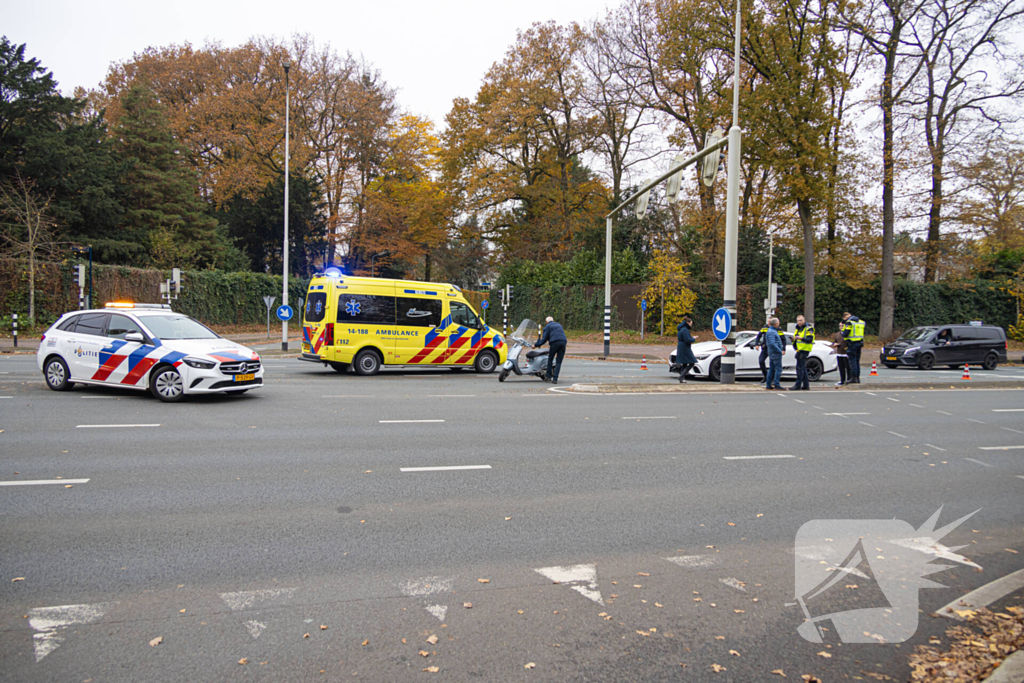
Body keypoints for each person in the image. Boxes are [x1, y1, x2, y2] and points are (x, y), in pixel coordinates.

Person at [535, 316, 567, 384]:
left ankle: (548, 376)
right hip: (563, 342)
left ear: (547, 322)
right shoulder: (559, 324)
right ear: (553, 320)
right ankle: (555, 378)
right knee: (559, 361)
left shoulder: (547, 327)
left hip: (554, 343)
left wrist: (536, 345)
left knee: (550, 358)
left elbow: (544, 339)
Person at [789, 315, 815, 391]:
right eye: (798, 320)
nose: (799, 322)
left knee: (800, 368)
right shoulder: (798, 328)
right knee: (802, 368)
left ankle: (798, 385)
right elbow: (797, 339)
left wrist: (801, 338)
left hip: (804, 350)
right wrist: (793, 340)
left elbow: (810, 339)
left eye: (800, 320)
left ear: (804, 320)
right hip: (799, 350)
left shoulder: (808, 328)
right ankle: (806, 385)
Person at [841, 311, 865, 384]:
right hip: (859, 343)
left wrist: (842, 332)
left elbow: (846, 333)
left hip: (852, 343)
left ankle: (853, 378)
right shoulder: (861, 322)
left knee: (852, 361)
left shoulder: (849, 322)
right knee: (857, 361)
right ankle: (857, 378)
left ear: (846, 317)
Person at [675, 316, 698, 383]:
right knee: (692, 362)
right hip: (685, 347)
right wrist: (693, 338)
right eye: (691, 323)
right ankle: (681, 376)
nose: (691, 325)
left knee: (684, 363)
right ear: (687, 323)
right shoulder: (685, 330)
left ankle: (682, 378)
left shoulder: (681, 329)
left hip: (681, 346)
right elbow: (687, 340)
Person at [765, 317, 784, 390]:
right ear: (775, 324)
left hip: (772, 352)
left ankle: (769, 384)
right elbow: (772, 343)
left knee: (772, 368)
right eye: (778, 322)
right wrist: (779, 350)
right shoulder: (772, 332)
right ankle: (776, 384)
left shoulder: (771, 331)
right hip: (775, 353)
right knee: (778, 369)